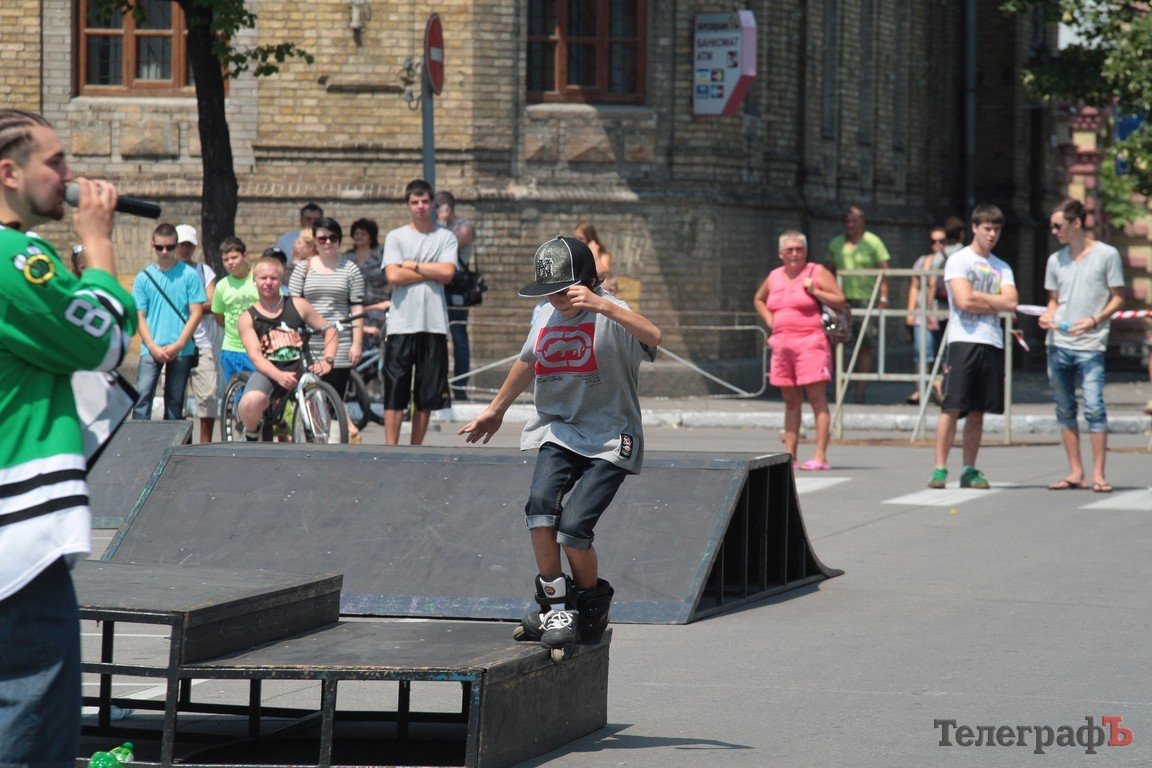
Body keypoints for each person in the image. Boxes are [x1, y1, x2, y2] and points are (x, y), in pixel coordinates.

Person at [0, 108, 137, 767]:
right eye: (54, 162)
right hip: (18, 540)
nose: (68, 175)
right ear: (8, 172)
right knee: (32, 723)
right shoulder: (14, 257)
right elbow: (104, 340)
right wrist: (100, 247)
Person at [459, 236, 661, 652]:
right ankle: (554, 606)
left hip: (611, 437)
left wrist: (605, 305)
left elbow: (654, 335)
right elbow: (528, 360)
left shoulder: (612, 312)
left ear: (587, 282)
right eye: (549, 293)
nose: (557, 300)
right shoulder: (544, 314)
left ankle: (591, 603)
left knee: (573, 529)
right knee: (539, 511)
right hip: (560, 429)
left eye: (564, 291)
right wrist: (496, 409)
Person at [1038, 198, 1125, 493]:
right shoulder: (1055, 260)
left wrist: (1095, 319)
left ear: (1076, 224)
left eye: (1058, 225)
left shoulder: (1106, 255)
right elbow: (1053, 299)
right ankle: (1076, 471)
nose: (1053, 230)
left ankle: (1099, 474)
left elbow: (1118, 297)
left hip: (1091, 343)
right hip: (1058, 342)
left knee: (1094, 407)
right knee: (1064, 408)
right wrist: (1048, 314)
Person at [928, 204, 1018, 490]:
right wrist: (993, 299)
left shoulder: (1002, 266)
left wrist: (979, 296)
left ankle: (969, 468)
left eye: (996, 230)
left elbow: (1012, 302)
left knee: (978, 409)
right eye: (987, 229)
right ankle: (940, 468)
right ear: (975, 228)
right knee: (952, 407)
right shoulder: (959, 260)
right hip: (963, 340)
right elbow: (963, 301)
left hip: (990, 340)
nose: (992, 235)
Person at [753, 230, 846, 470]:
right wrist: (771, 321)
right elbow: (759, 299)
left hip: (811, 343)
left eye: (799, 249)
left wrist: (815, 291)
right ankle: (789, 456)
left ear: (805, 251)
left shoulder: (816, 272)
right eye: (790, 249)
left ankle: (820, 456)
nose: (795, 254)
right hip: (782, 344)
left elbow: (840, 300)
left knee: (817, 399)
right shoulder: (774, 276)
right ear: (781, 253)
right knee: (791, 401)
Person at [382, 179, 459, 445]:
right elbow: (393, 275)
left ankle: (416, 448)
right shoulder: (396, 236)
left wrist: (412, 264)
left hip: (434, 324)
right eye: (415, 202)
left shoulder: (445, 237)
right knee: (395, 388)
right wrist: (430, 269)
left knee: (426, 392)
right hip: (402, 323)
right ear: (408, 205)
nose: (420, 207)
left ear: (433, 204)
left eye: (425, 201)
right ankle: (391, 447)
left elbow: (448, 272)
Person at [236, 257, 337, 440]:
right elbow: (255, 356)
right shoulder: (247, 317)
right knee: (251, 402)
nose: (268, 283)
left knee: (320, 411)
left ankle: (319, 443)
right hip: (268, 372)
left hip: (301, 368)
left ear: (281, 280)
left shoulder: (298, 305)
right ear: (254, 280)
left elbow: (329, 330)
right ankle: (251, 432)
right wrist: (279, 376)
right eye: (263, 278)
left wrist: (327, 360)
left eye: (273, 278)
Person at [132, 222, 206, 420]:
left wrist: (179, 343)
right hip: (151, 347)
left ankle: (172, 448)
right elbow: (140, 316)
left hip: (181, 348)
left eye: (170, 247)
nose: (164, 252)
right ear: (152, 246)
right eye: (159, 247)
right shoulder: (143, 278)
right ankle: (139, 447)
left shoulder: (189, 275)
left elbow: (196, 313)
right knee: (142, 398)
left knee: (174, 403)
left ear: (177, 245)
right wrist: (151, 345)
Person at [288, 217, 364, 403]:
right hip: (308, 341)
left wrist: (357, 343)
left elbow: (357, 307)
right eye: (322, 238)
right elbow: (292, 305)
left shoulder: (350, 269)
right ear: (315, 241)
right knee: (309, 398)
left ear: (339, 240)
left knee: (334, 400)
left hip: (341, 341)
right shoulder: (303, 269)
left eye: (333, 237)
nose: (328, 242)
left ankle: (332, 432)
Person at [825, 205, 891, 402]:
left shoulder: (873, 242)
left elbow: (885, 271)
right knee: (836, 343)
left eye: (854, 221)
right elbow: (828, 271)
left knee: (864, 345)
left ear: (862, 222)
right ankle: (839, 387)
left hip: (866, 300)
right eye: (847, 221)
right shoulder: (836, 243)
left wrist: (883, 297)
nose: (850, 225)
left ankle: (860, 391)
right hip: (841, 300)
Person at [175, 224, 219, 442]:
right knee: (175, 398)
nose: (184, 249)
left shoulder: (203, 271)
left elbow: (212, 302)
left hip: (201, 340)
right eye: (180, 244)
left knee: (208, 395)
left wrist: (189, 307)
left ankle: (206, 443)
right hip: (173, 341)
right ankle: (182, 442)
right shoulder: (164, 271)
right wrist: (196, 305)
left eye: (188, 245)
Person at [435, 191, 477, 400]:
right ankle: (441, 386)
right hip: (438, 286)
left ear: (447, 207)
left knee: (459, 336)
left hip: (457, 288)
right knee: (438, 337)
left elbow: (446, 247)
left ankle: (460, 387)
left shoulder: (464, 227)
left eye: (437, 207)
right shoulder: (435, 229)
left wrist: (441, 224)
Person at [904, 227, 947, 405]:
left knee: (943, 355)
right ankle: (921, 390)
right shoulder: (922, 261)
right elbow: (914, 286)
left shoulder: (951, 261)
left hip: (943, 313)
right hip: (923, 312)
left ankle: (941, 388)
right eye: (933, 241)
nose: (937, 245)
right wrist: (910, 311)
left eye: (941, 241)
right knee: (922, 351)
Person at [211, 236, 259, 385]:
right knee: (235, 395)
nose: (230, 262)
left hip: (256, 347)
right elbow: (219, 317)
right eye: (226, 259)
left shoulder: (258, 280)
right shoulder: (221, 286)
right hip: (231, 347)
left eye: (234, 257)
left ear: (244, 256)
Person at [341, 217, 391, 351]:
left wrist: (389, 287)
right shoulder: (347, 257)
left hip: (380, 306)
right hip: (356, 307)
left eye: (363, 234)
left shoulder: (382, 254)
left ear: (371, 236)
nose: (359, 237)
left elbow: (395, 272)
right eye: (356, 234)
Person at [573, 221, 618, 296]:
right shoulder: (576, 255)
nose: (577, 242)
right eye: (575, 238)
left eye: (581, 239)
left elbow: (604, 277)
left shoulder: (603, 255)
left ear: (590, 239)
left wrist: (594, 255)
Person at [276, 201, 322, 266]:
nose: (312, 222)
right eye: (308, 219)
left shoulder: (326, 240)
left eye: (316, 219)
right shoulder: (285, 240)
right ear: (301, 220)